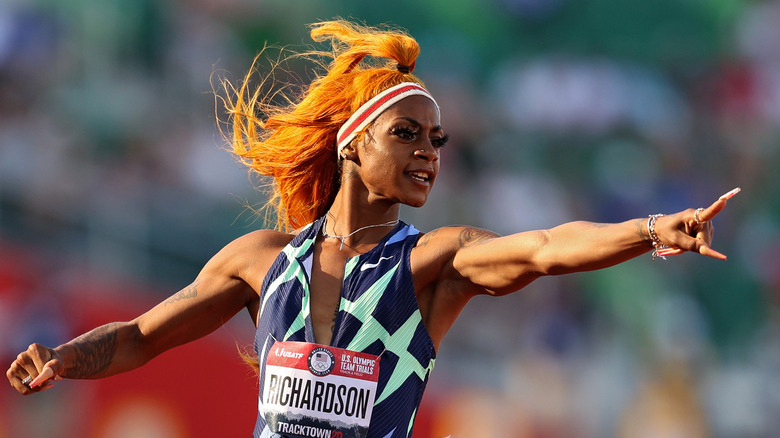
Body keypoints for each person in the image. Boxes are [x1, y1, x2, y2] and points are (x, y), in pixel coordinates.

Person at [6, 20, 740, 438]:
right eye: (409, 134)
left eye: (439, 141)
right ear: (352, 144)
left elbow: (546, 249)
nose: (429, 152)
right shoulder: (260, 262)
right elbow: (139, 336)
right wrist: (65, 359)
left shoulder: (435, 262)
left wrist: (649, 229)